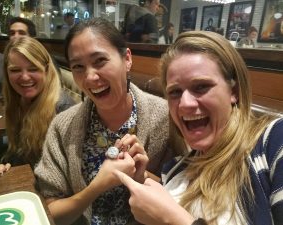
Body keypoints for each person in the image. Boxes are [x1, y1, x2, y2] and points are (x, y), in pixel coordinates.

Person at [114, 31, 283, 225]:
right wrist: (138, 179)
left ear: (233, 92)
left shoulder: (274, 143)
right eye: (175, 92)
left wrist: (171, 219)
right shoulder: (176, 168)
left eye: (201, 87)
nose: (185, 104)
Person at [34, 17, 182, 225]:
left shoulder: (168, 118)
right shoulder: (62, 126)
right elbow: (51, 212)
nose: (90, 77)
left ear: (127, 59)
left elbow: (185, 197)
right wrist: (97, 186)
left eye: (100, 61)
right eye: (78, 66)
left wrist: (141, 176)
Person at [0, 37, 75, 179]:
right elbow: (20, 154)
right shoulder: (18, 99)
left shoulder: (62, 108)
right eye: (15, 70)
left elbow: (69, 174)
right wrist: (1, 165)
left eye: (33, 69)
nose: (25, 77)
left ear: (46, 70)